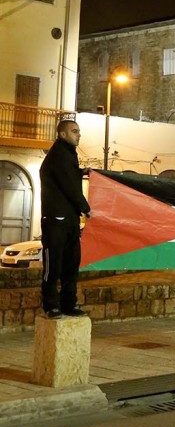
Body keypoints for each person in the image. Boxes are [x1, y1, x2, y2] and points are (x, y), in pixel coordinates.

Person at [39, 118, 91, 319]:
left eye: (79, 131)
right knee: (53, 266)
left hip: (69, 220)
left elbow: (69, 176)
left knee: (71, 264)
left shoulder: (68, 155)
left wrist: (82, 172)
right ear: (62, 134)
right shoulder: (59, 154)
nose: (79, 134)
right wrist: (86, 208)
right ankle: (51, 306)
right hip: (56, 220)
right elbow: (68, 184)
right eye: (74, 131)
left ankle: (69, 304)